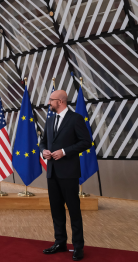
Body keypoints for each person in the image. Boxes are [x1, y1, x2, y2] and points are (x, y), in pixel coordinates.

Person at [39, 90, 91, 261]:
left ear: (60, 101)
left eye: (51, 100)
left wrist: (64, 151)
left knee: (74, 210)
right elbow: (44, 142)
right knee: (56, 210)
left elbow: (86, 142)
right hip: (52, 172)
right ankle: (60, 242)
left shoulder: (76, 119)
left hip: (69, 173)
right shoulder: (50, 119)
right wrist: (44, 151)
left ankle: (78, 247)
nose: (49, 103)